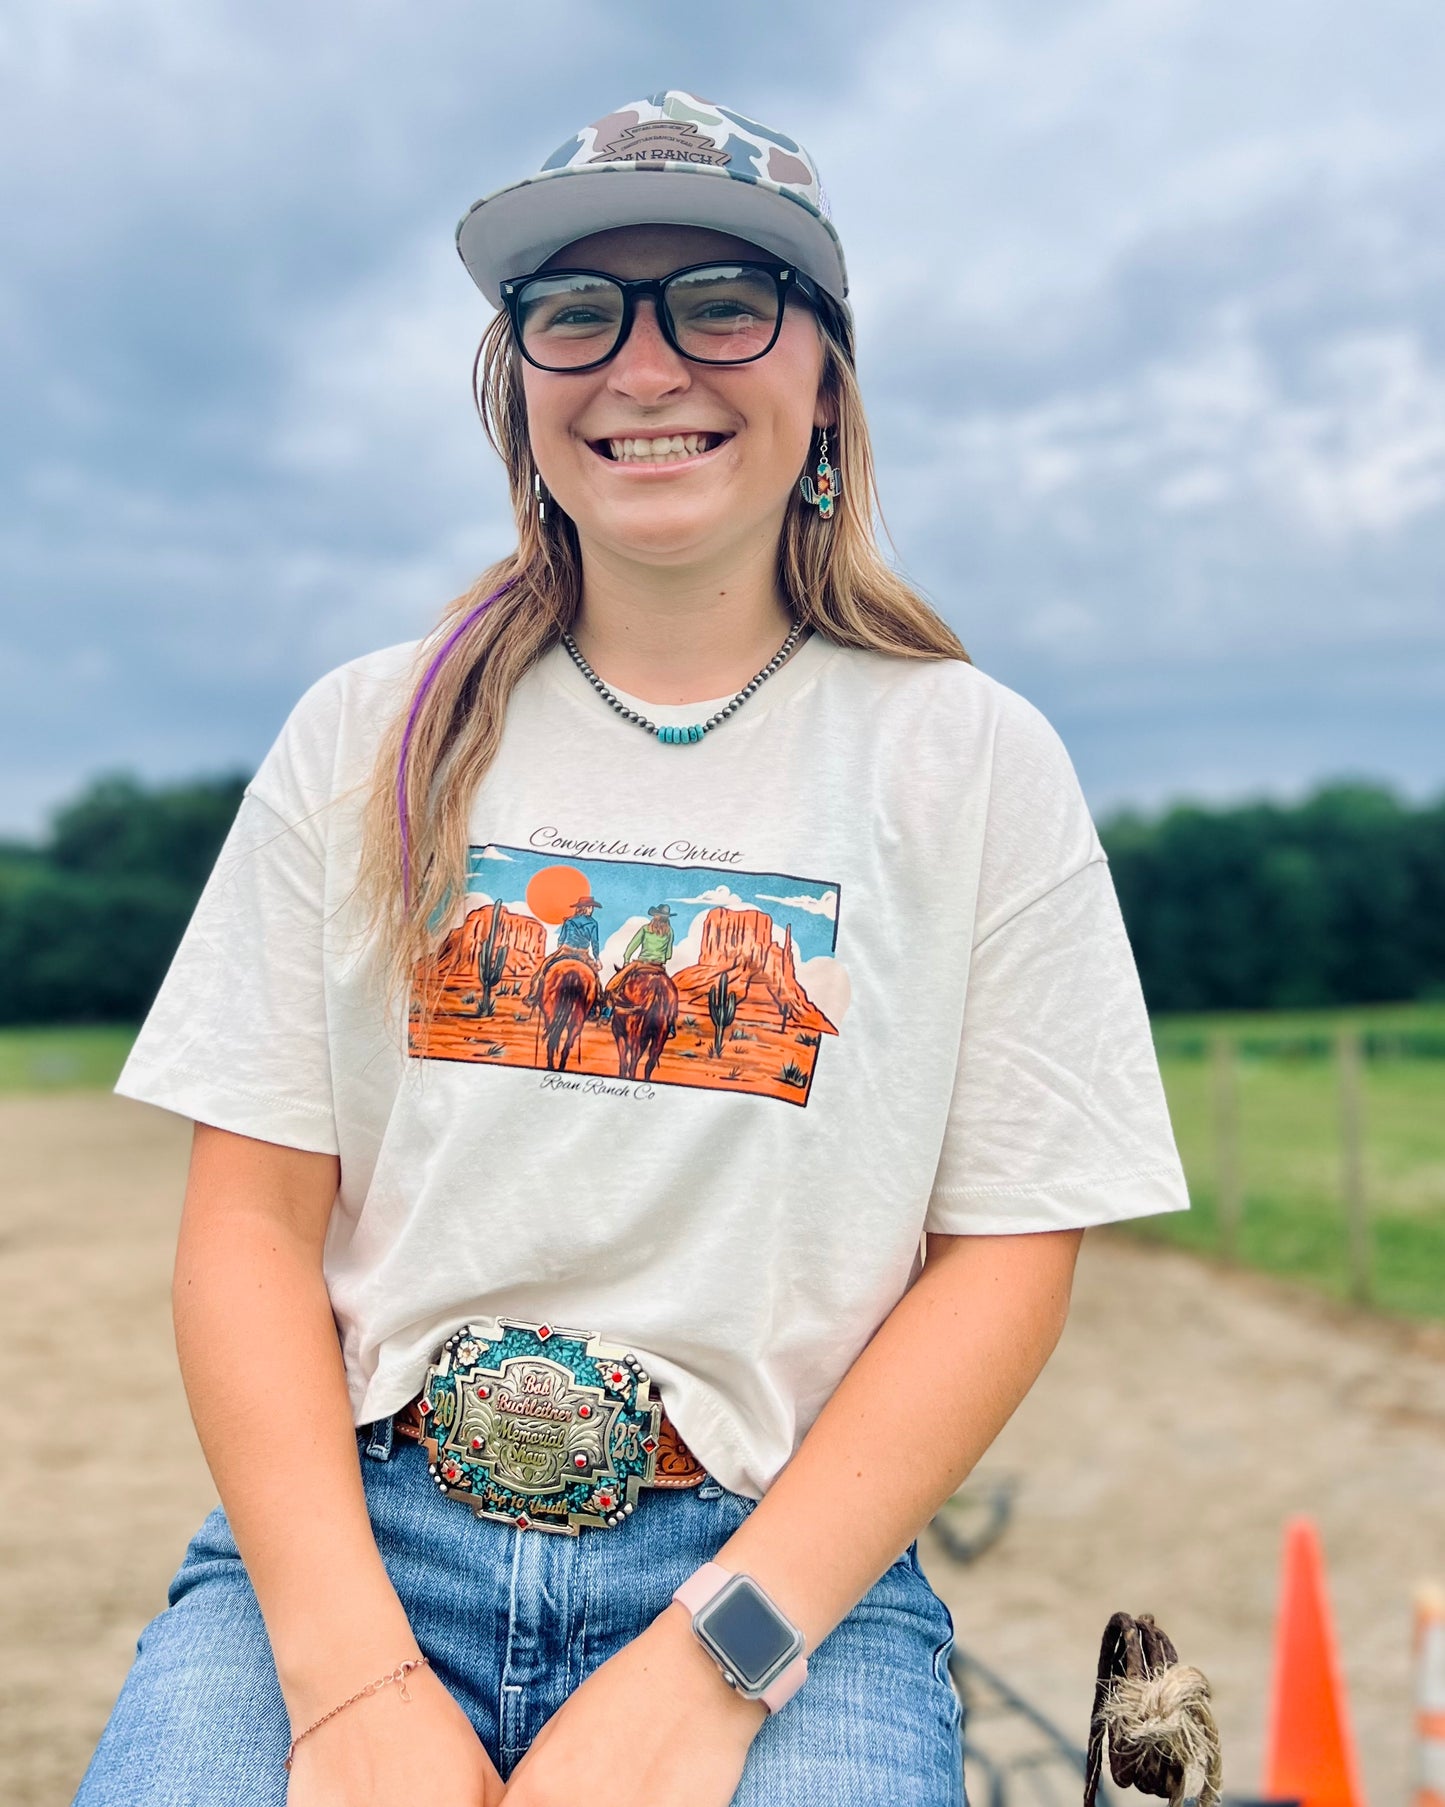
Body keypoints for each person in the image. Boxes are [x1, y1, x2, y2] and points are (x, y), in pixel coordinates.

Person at [72, 89, 1190, 1807]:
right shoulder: (366, 729)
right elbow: (245, 1222)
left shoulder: (964, 758)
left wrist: (715, 1669)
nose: (644, 366)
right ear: (520, 389)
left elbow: (1005, 1262)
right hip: (358, 1546)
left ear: (823, 377)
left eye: (721, 301)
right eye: (575, 312)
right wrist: (352, 1678)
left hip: (771, 1575)